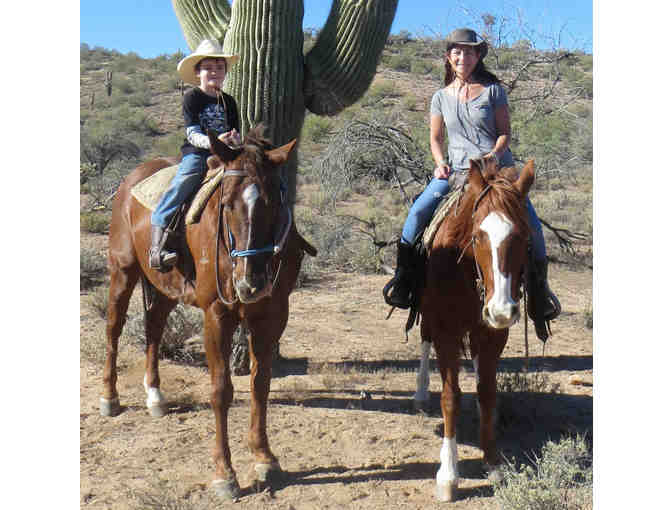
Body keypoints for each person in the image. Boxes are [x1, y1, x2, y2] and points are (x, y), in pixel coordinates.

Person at [383, 28, 560, 337]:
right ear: (448, 56)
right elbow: (436, 138)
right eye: (457, 51)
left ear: (478, 56)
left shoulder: (493, 91)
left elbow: (505, 132)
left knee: (531, 225)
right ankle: (404, 281)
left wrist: (493, 154)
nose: (462, 56)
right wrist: (440, 163)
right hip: (456, 175)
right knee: (417, 214)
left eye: (469, 52)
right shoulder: (440, 97)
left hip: (498, 174)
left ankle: (540, 293)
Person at [149, 39, 242, 271]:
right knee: (187, 178)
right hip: (198, 152)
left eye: (220, 68)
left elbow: (236, 130)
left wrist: (234, 139)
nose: (215, 72)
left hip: (227, 152)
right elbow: (191, 132)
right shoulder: (193, 98)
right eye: (209, 67)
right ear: (198, 72)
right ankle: (158, 241)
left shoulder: (229, 101)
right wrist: (213, 142)